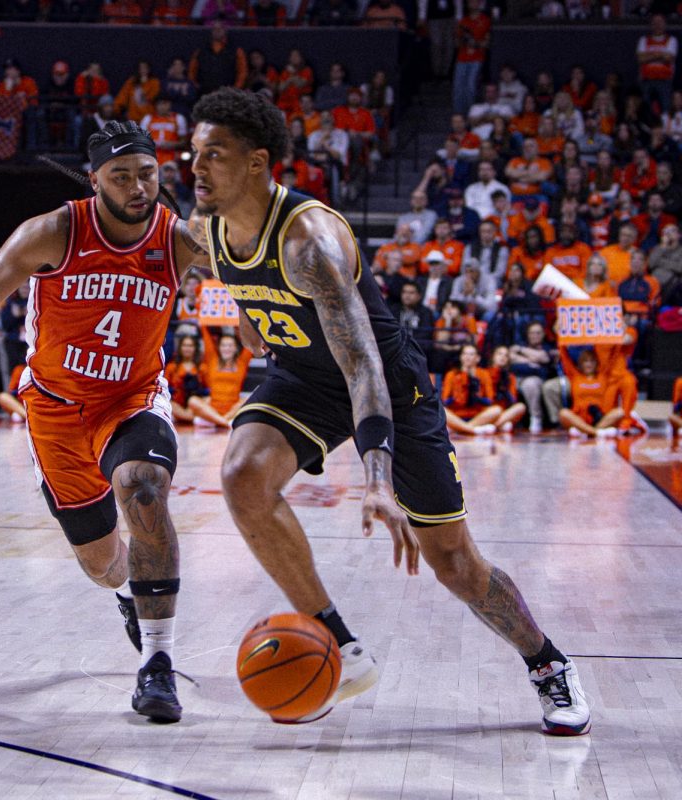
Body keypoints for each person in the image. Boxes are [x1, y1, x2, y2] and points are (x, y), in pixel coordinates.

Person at [186, 87, 590, 733]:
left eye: (213, 155)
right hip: (303, 381)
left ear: (258, 162)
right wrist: (246, 314)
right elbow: (221, 271)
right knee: (241, 477)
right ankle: (339, 649)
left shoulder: (308, 241)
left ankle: (547, 664)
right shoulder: (207, 229)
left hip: (387, 385)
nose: (196, 168)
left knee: (454, 562)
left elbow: (362, 366)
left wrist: (376, 483)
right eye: (192, 153)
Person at [0, 122, 208, 724]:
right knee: (101, 565)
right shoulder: (53, 232)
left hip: (132, 397)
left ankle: (158, 664)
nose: (136, 186)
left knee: (142, 487)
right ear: (95, 178)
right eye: (121, 175)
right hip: (53, 409)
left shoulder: (181, 240)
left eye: (147, 174)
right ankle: (129, 593)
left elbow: (257, 290)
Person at [557, 347, 622, 438]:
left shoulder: (603, 376)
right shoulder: (575, 376)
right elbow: (565, 358)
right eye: (585, 361)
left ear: (596, 363)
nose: (589, 364)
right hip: (580, 417)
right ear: (580, 364)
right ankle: (597, 432)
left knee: (620, 411)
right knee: (563, 413)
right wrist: (562, 344)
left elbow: (613, 358)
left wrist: (617, 343)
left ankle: (586, 431)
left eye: (592, 361)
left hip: (600, 416)